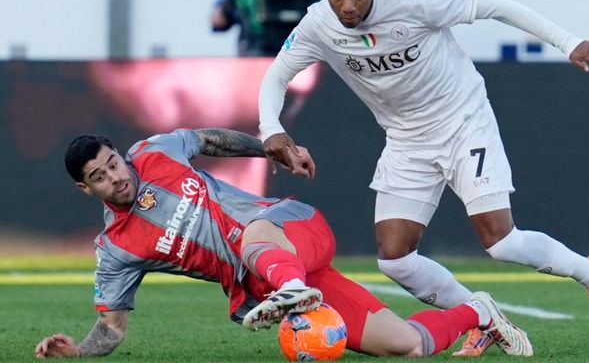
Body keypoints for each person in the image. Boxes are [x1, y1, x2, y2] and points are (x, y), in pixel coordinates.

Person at [257, 0, 589, 357]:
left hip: (463, 123)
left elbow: (497, 7)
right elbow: (277, 75)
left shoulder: (417, 1)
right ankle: (480, 316)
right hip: (406, 141)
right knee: (396, 261)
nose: (346, 6)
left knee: (502, 243)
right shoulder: (317, 25)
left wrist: (569, 42)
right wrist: (272, 129)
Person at [34, 128, 533, 358]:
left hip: (289, 229)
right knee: (407, 346)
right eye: (100, 177)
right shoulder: (117, 249)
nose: (116, 178)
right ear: (86, 189)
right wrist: (77, 353)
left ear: (120, 153)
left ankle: (291, 291)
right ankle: (480, 312)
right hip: (269, 281)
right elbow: (112, 327)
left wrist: (273, 149)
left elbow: (209, 141)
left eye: (113, 163)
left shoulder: (155, 151)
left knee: (249, 234)